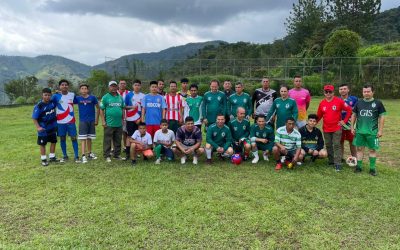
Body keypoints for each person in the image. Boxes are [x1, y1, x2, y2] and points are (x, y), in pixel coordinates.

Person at [351, 84, 386, 176]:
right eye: (364, 91)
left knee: (372, 150)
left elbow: (382, 116)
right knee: (359, 149)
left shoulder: (378, 103)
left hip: (373, 133)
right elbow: (354, 115)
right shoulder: (359, 102)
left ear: (372, 92)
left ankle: (372, 169)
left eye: (368, 91)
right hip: (359, 131)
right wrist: (352, 127)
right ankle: (358, 167)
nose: (366, 93)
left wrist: (380, 130)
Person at [317, 84, 352, 171]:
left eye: (330, 92)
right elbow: (319, 115)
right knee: (328, 145)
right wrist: (313, 124)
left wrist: (344, 121)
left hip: (336, 128)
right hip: (326, 128)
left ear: (333, 92)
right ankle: (331, 161)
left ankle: (338, 163)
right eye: (326, 92)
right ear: (324, 92)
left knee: (336, 145)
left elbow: (349, 110)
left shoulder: (339, 101)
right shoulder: (322, 103)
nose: (328, 93)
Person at [51, 79, 80, 163]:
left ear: (68, 86)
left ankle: (76, 156)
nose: (64, 86)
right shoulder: (55, 96)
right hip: (60, 122)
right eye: (62, 85)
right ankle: (65, 156)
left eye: (66, 85)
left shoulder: (72, 94)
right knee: (62, 139)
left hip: (71, 121)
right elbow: (50, 104)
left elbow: (78, 101)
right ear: (60, 86)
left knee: (74, 138)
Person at [99, 81, 126, 162]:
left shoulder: (120, 97)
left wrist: (123, 119)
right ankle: (107, 155)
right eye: (112, 86)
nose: (113, 88)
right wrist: (103, 121)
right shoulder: (105, 97)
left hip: (119, 123)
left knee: (118, 139)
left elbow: (122, 108)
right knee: (107, 140)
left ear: (117, 87)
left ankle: (117, 155)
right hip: (109, 123)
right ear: (109, 87)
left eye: (115, 86)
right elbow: (101, 109)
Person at [32, 88, 58, 166]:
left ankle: (52, 157)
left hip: (52, 127)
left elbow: (57, 96)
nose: (47, 97)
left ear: (51, 95)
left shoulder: (53, 103)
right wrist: (38, 127)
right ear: (42, 95)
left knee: (53, 142)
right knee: (43, 144)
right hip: (43, 129)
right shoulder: (39, 106)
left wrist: (57, 92)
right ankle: (43, 159)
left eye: (49, 95)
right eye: (45, 95)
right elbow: (34, 118)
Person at [76, 84, 100, 163]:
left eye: (85, 88)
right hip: (83, 121)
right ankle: (83, 155)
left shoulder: (92, 98)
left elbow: (98, 107)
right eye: (82, 88)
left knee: (89, 138)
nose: (84, 90)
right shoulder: (77, 98)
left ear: (88, 90)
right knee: (83, 138)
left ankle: (89, 153)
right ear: (80, 90)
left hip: (91, 120)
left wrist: (96, 119)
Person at [124, 79, 145, 159]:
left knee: (139, 136)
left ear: (140, 86)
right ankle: (127, 154)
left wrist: (140, 118)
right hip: (130, 119)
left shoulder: (143, 96)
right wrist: (132, 107)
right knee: (129, 136)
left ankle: (137, 152)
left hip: (139, 120)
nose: (137, 86)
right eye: (135, 85)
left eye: (138, 85)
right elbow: (124, 107)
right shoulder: (128, 95)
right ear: (133, 86)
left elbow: (143, 108)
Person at [339, 83, 358, 160]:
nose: (343, 90)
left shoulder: (354, 99)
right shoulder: (336, 99)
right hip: (340, 124)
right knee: (340, 142)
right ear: (339, 90)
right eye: (341, 89)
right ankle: (340, 158)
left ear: (348, 90)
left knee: (352, 142)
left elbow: (357, 111)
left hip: (351, 124)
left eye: (344, 89)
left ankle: (354, 158)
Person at [118, 80, 130, 149]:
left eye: (124, 84)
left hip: (127, 116)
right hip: (117, 117)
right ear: (118, 85)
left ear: (126, 85)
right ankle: (115, 148)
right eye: (121, 84)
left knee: (125, 132)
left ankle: (125, 146)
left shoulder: (129, 93)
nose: (122, 85)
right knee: (117, 133)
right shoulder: (115, 93)